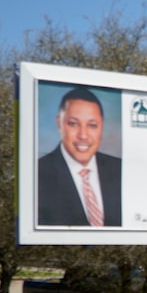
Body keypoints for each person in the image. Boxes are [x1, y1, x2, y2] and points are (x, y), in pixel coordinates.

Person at [37, 87, 122, 226]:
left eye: (92, 125)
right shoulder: (37, 175)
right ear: (59, 123)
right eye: (74, 124)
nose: (83, 135)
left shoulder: (120, 170)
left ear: (102, 126)